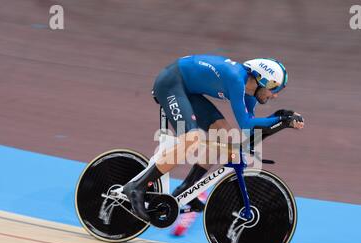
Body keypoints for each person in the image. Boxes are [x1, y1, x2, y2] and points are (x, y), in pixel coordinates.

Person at [123, 55, 304, 224]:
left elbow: (250, 132)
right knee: (192, 138)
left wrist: (280, 119)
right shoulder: (236, 79)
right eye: (274, 89)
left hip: (187, 90)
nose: (275, 95)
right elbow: (247, 124)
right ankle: (137, 187)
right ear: (261, 79)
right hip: (171, 83)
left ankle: (186, 189)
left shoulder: (251, 94)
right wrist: (281, 120)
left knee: (224, 136)